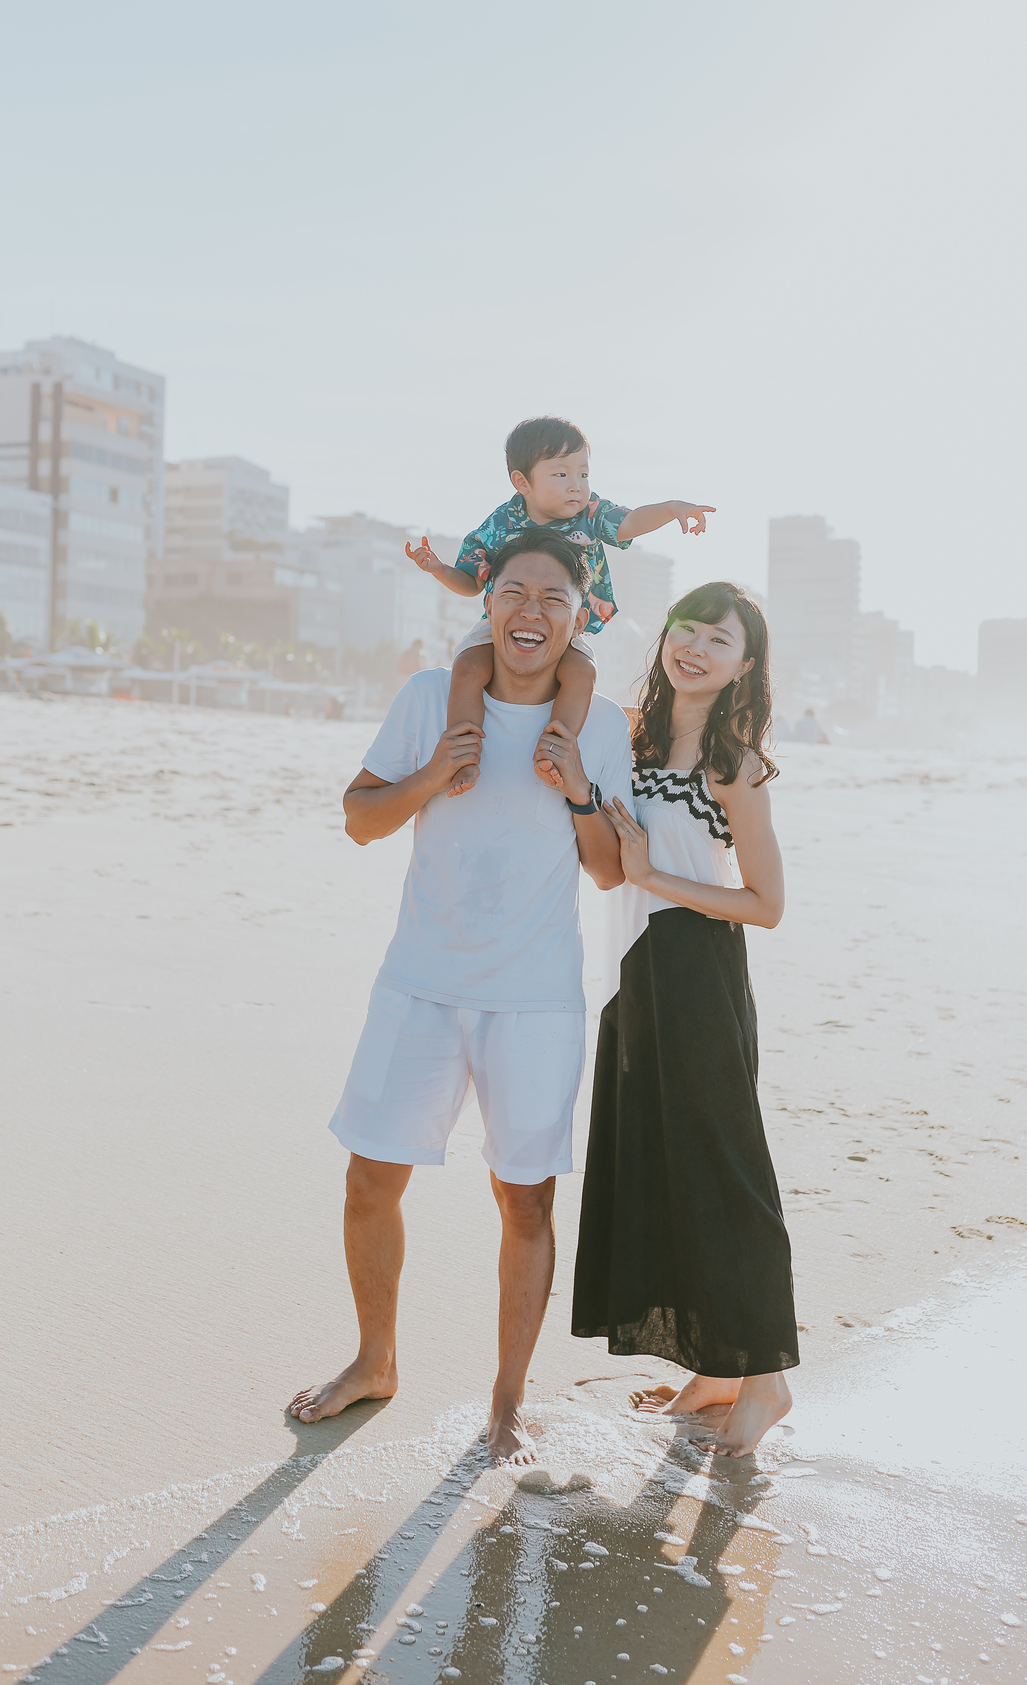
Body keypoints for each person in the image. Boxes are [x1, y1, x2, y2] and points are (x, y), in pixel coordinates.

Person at [288, 528, 633, 1464]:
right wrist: (435, 770)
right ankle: (375, 1358)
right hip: (420, 985)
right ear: (487, 602)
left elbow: (607, 873)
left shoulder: (601, 725)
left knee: (524, 1204)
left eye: (552, 597)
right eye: (514, 591)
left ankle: (507, 1402)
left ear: (579, 615)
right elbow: (361, 821)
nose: (531, 610)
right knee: (371, 1178)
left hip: (535, 1000)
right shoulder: (426, 700)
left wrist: (577, 791)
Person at [571, 581, 800, 1457]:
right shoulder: (631, 737)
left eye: (720, 639)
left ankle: (768, 1377)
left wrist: (653, 878)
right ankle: (715, 1367)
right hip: (633, 978)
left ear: (745, 666)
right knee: (662, 1171)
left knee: (725, 1178)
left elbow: (767, 904)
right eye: (686, 628)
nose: (695, 646)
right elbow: (569, 672)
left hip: (698, 974)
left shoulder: (731, 765)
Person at [404, 415, 715, 795]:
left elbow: (629, 522)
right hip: (507, 623)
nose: (577, 487)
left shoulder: (592, 513)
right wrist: (438, 569)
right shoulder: (500, 524)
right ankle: (463, 758)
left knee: (582, 672)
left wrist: (670, 509)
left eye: (583, 474)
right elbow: (471, 582)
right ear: (523, 482)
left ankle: (554, 749)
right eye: (561, 475)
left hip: (566, 626)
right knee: (468, 665)